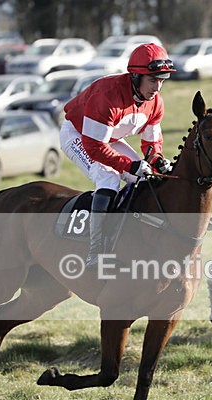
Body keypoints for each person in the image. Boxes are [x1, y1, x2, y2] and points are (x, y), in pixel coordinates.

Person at [59, 43, 176, 268]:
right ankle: (96, 251)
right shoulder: (108, 96)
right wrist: (129, 165)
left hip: (107, 139)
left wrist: (158, 161)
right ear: (135, 76)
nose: (157, 88)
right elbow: (93, 147)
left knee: (147, 179)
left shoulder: (155, 103)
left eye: (162, 80)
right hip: (78, 134)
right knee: (109, 178)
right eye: (153, 80)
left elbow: (151, 144)